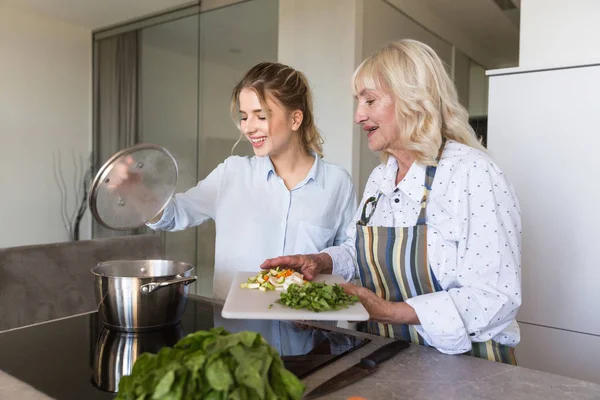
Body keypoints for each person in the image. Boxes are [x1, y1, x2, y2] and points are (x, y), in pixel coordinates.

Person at [261, 40, 522, 364]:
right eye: (358, 101)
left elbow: (495, 299)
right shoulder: (380, 178)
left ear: (414, 99)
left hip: (467, 373)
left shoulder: (473, 174)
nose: (358, 115)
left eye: (369, 100)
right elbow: (359, 253)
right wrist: (322, 262)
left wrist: (389, 312)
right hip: (385, 363)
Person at [112, 62, 356, 301]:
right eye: (244, 116)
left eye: (260, 116)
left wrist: (321, 266)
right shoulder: (231, 174)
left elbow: (351, 254)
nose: (248, 128)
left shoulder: (336, 183)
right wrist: (135, 190)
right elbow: (174, 215)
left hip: (311, 335)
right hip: (238, 337)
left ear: (295, 120)